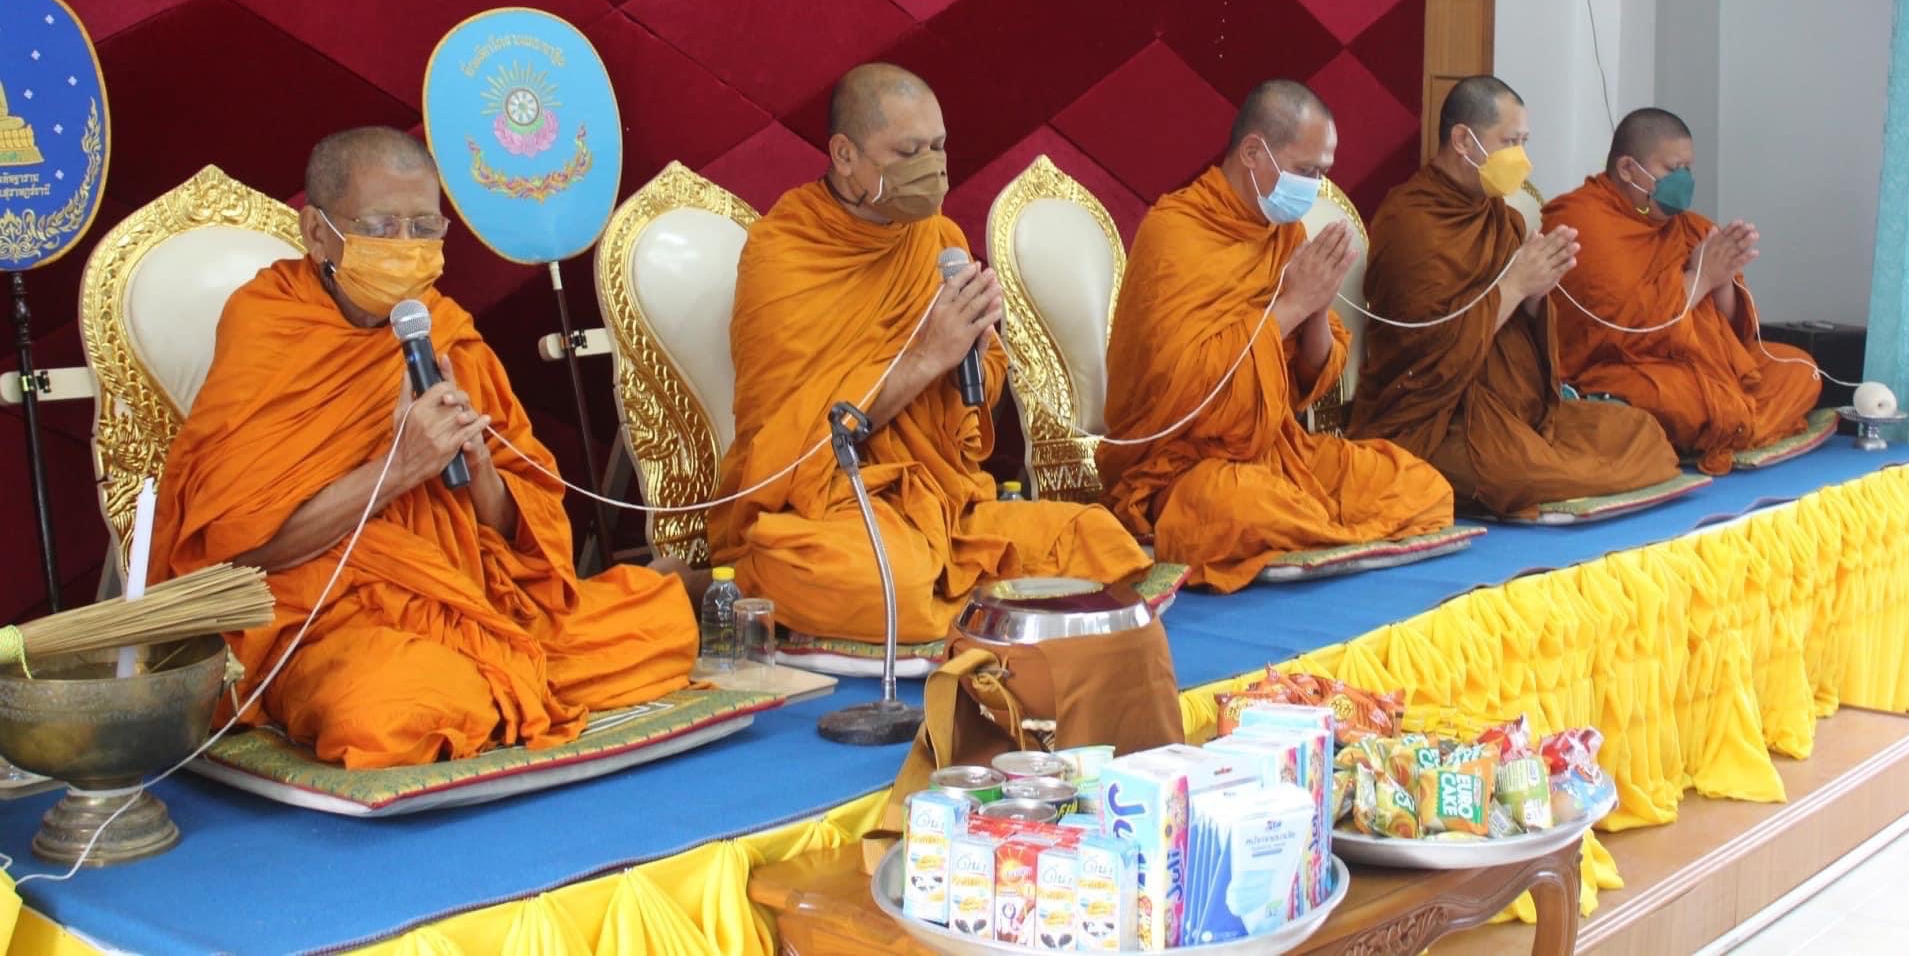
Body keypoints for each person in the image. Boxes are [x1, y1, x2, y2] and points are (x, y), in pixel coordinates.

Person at [151, 127, 695, 769]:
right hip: (324, 620)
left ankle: (493, 681)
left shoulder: (441, 330)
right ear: (317, 232)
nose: (407, 250)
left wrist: (479, 463)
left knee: (660, 627)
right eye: (382, 227)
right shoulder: (268, 327)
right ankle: (492, 684)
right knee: (387, 709)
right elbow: (235, 552)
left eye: (424, 228)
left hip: (466, 600)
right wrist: (398, 470)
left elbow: (522, 533)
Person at [713, 64, 1150, 643]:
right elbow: (792, 445)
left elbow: (973, 412)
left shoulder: (939, 240)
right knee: (887, 583)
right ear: (844, 154)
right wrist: (923, 358)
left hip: (942, 507)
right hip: (831, 510)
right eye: (908, 150)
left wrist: (977, 348)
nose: (932, 166)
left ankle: (957, 597)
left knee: (1101, 541)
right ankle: (737, 581)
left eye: (939, 146)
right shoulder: (784, 253)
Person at [1099, 80, 1455, 591]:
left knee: (1418, 485)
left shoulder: (1285, 233)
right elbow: (1184, 389)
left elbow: (1306, 381)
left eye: (1323, 173)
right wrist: (1289, 305)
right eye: (1307, 171)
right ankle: (1322, 529)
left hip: (1278, 452)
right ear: (1252, 152)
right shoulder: (1176, 233)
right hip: (1183, 467)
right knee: (1244, 510)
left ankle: (1319, 529)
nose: (1315, 187)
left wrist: (1315, 308)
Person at [1347, 77, 1680, 515]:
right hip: (1436, 421)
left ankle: (1548, 460)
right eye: (1510, 141)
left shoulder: (1497, 217)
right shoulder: (1412, 221)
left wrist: (1537, 295)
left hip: (1513, 412)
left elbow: (1522, 337)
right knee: (1517, 475)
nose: (1521, 157)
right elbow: (1422, 357)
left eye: (1524, 141)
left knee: (1641, 431)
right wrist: (1515, 286)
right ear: (1464, 140)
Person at [1543, 107, 1821, 474]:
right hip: (1624, 367)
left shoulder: (1689, 227)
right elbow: (1621, 332)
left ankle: (1717, 428)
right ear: (1628, 169)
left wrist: (1721, 279)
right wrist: (1701, 277)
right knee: (1686, 402)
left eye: (1688, 169)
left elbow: (1735, 337)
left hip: (1701, 367)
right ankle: (1623, 413)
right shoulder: (1583, 223)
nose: (1684, 180)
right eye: (1672, 170)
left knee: (1801, 369)